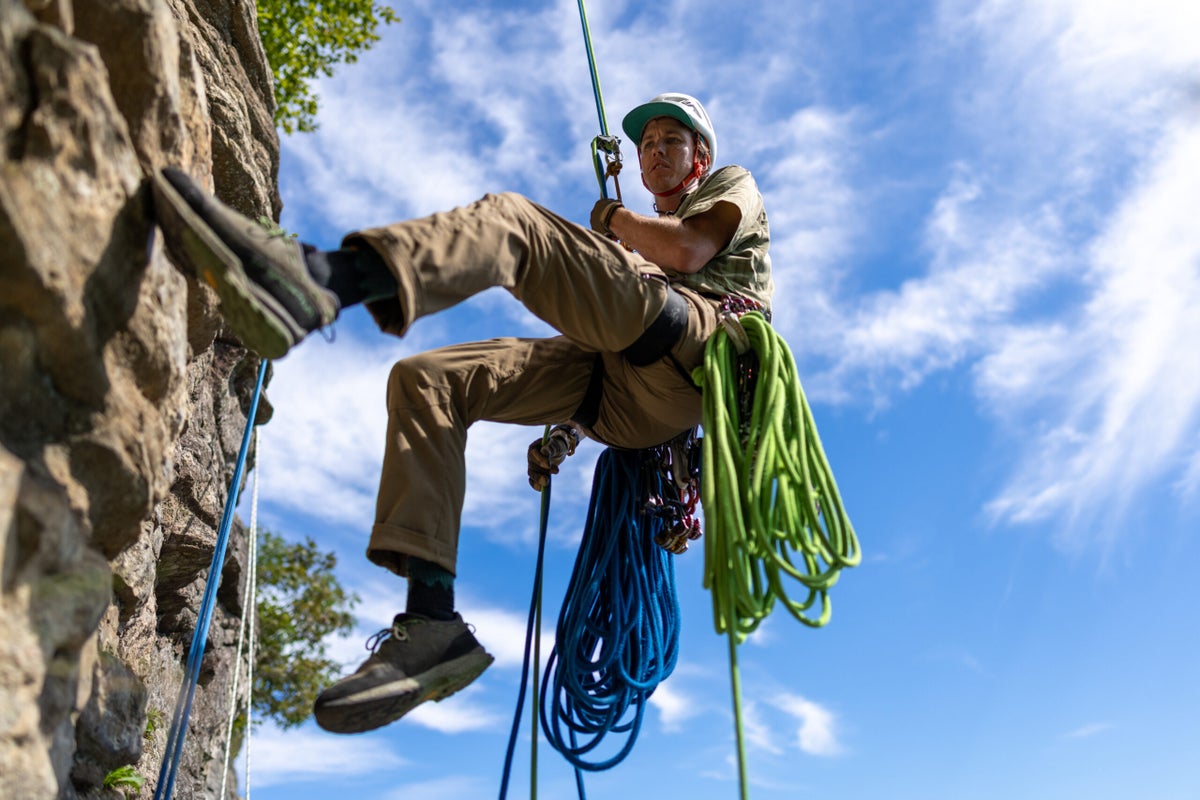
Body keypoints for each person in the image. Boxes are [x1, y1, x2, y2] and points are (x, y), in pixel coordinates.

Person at [151, 92, 772, 734]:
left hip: (700, 350)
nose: (655, 151)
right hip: (628, 389)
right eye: (648, 144)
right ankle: (432, 621)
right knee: (427, 382)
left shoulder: (730, 187)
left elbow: (690, 250)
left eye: (671, 140)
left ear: (700, 157)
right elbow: (623, 325)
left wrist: (613, 217)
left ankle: (318, 280)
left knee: (514, 223)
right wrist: (566, 433)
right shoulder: (642, 245)